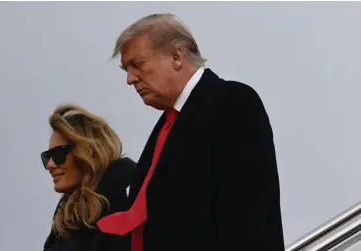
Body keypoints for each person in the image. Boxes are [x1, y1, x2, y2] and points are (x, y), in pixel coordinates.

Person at [97, 13, 285, 251]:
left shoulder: (232, 102)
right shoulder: (167, 126)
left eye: (137, 64)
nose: (130, 79)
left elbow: (244, 213)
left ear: (177, 56)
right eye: (126, 69)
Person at [42, 104, 134, 251]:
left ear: (88, 153)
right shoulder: (66, 221)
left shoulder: (123, 213)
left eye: (58, 155)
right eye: (47, 157)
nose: (50, 165)